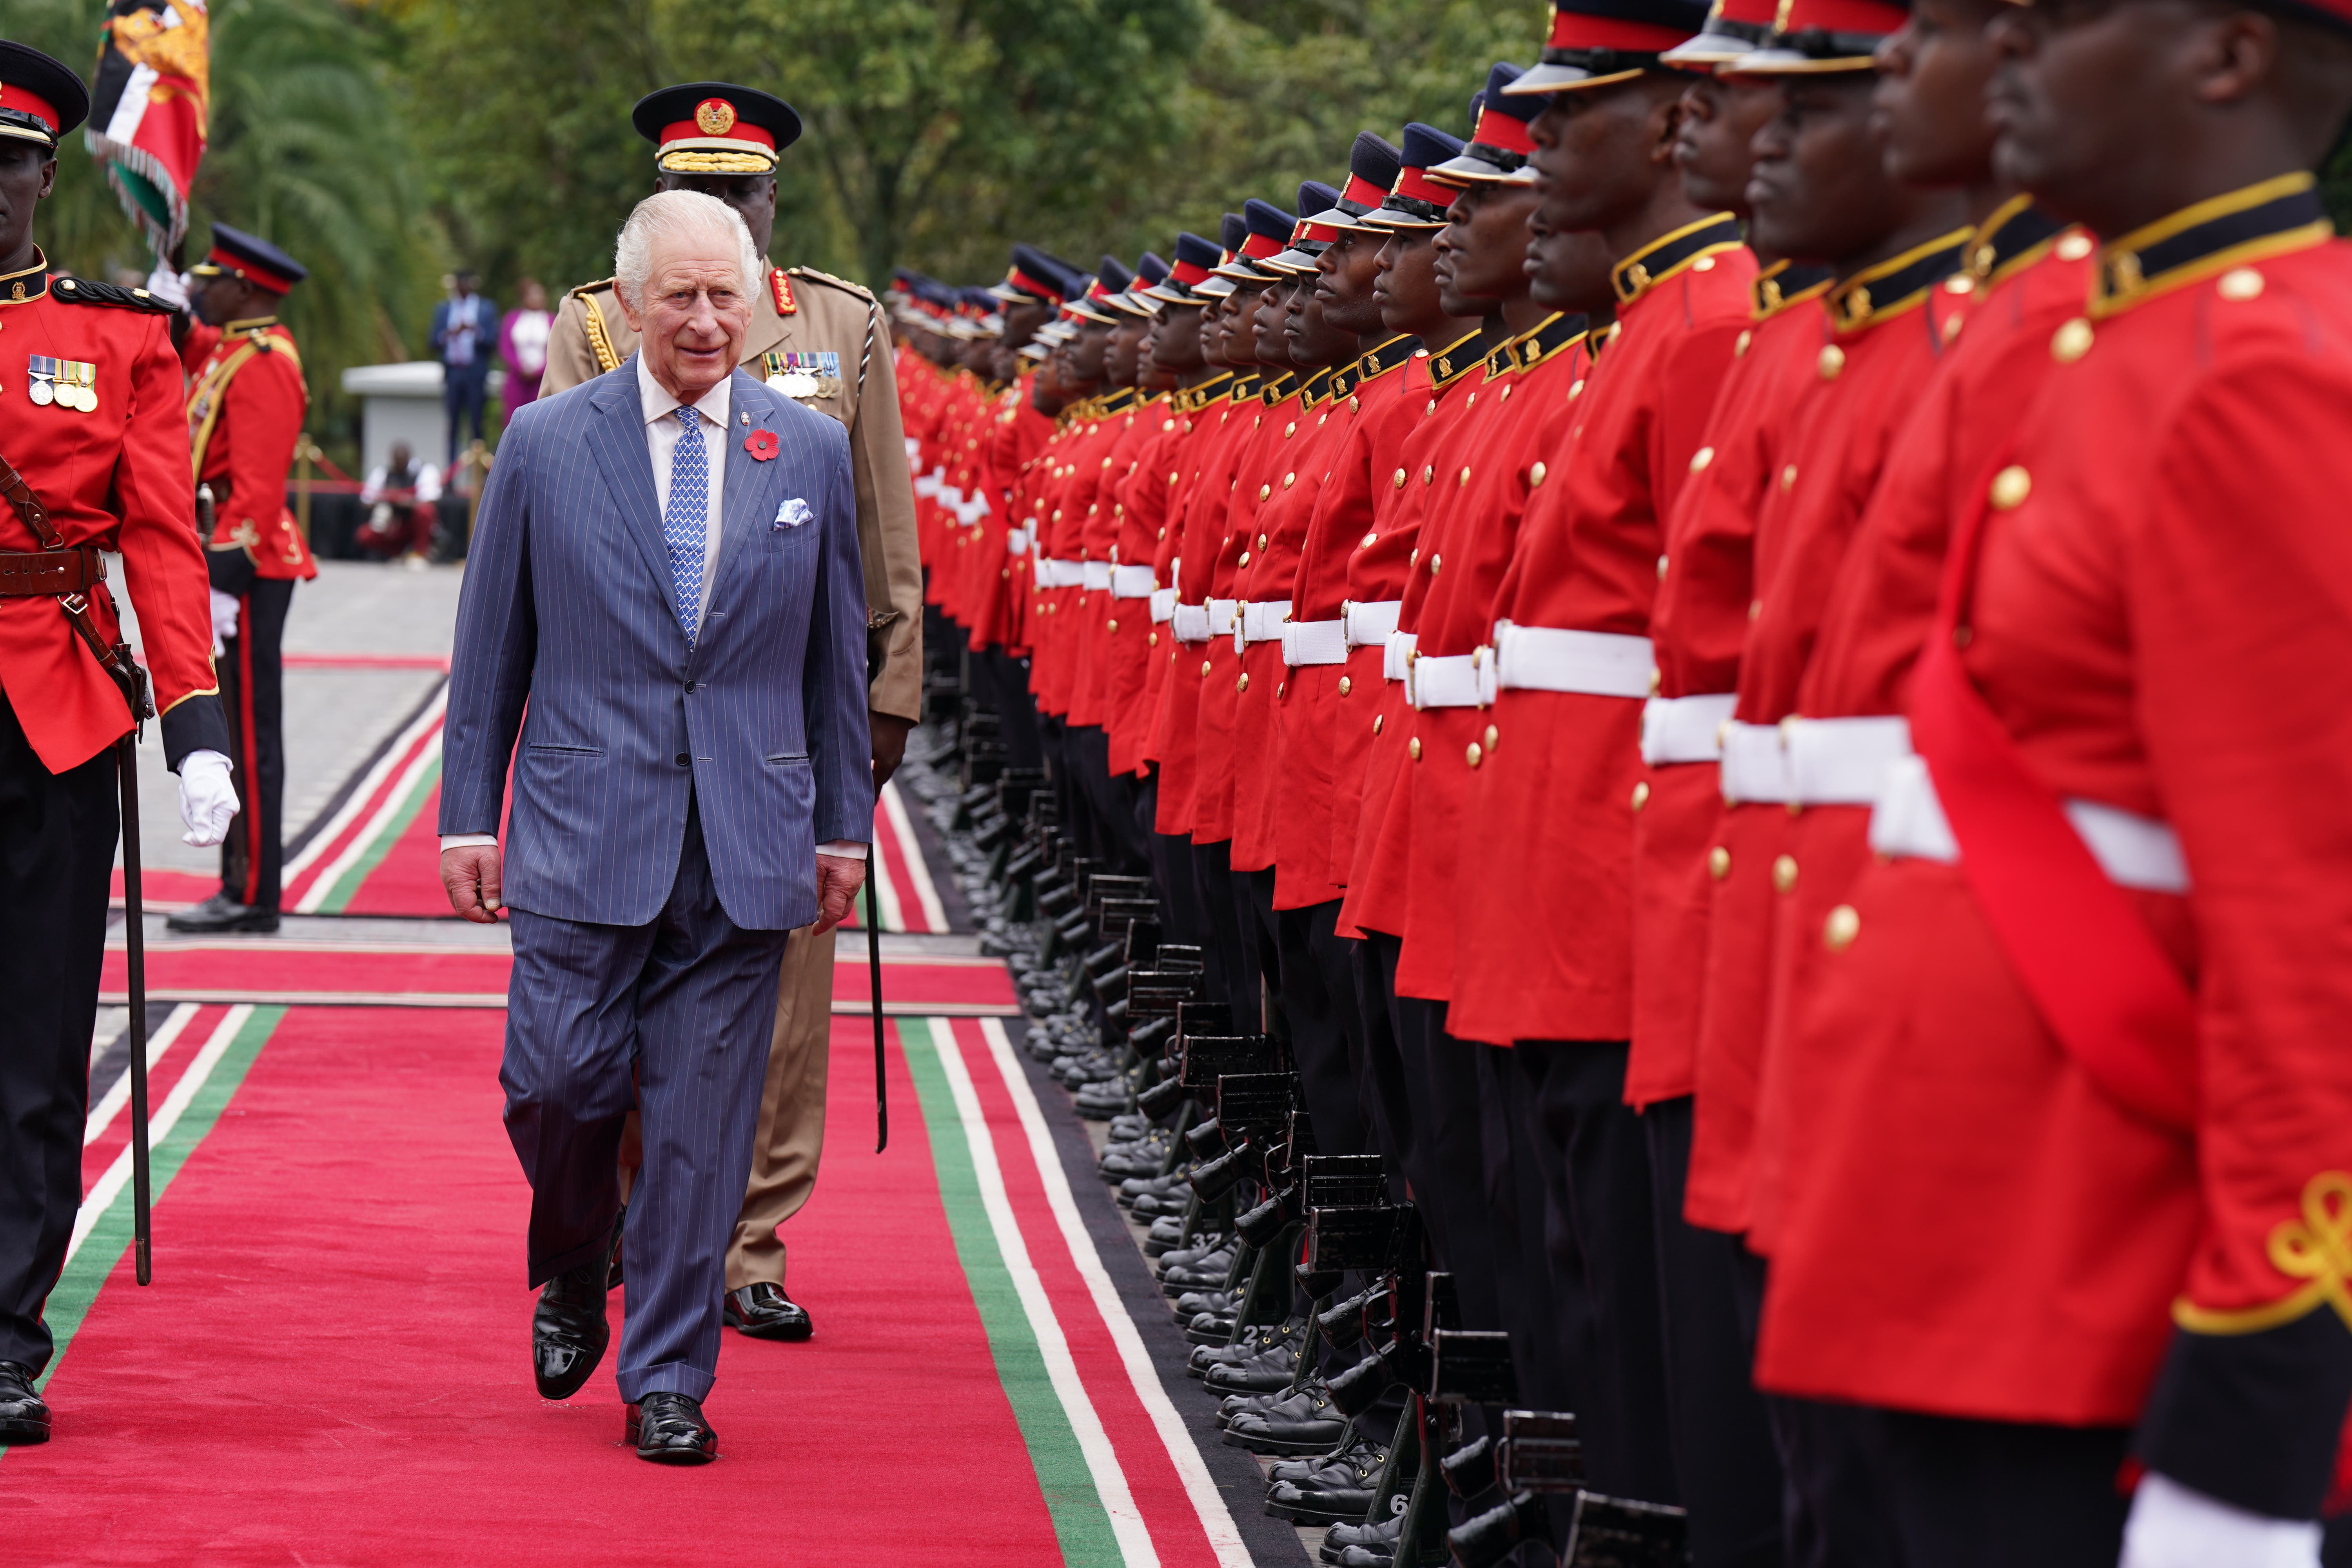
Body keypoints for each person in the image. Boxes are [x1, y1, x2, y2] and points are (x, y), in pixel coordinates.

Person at [438, 189, 873, 1463]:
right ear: (624, 306)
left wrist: (841, 829)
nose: (701, 319)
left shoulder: (808, 453)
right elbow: (490, 649)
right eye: (676, 295)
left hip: (748, 840)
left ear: (753, 304)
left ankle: (670, 1378)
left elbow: (832, 660)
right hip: (582, 827)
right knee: (560, 1083)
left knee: (697, 1127)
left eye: (722, 296)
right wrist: (473, 814)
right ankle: (578, 1255)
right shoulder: (543, 442)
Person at [539, 82, 924, 1343]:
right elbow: (546, 526)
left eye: (736, 198)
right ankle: (627, 1226)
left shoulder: (842, 327)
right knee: (602, 1026)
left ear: (770, 208)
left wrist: (887, 700)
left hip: (774, 725)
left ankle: (746, 1243)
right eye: (689, 197)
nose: (715, 221)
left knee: (779, 1010)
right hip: (629, 734)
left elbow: (881, 535)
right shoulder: (596, 323)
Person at [0, 38, 238, 1446]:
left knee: (32, 1045)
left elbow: (162, 535)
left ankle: (8, 1330)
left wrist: (196, 726)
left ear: (44, 178)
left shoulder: (115, 340)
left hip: (55, 708)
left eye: (12, 166)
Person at [167, 223, 318, 936]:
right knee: (235, 726)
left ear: (246, 288)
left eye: (210, 281)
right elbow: (191, 348)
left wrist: (228, 574)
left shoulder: (265, 360)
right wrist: (166, 300)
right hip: (229, 554)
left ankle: (254, 892)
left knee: (251, 734)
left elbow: (257, 486)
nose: (201, 290)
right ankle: (239, 880)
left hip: (248, 562)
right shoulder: (234, 347)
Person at [430, 270, 494, 465]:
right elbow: (432, 341)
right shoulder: (444, 309)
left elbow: (493, 341)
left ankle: (479, 474)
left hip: (475, 372)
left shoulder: (485, 308)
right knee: (453, 425)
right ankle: (450, 474)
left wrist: (475, 331)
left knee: (477, 423)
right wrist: (450, 333)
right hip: (453, 372)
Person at [356, 440, 443, 563]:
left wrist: (402, 500)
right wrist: (386, 497)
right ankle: (399, 554)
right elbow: (366, 501)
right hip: (393, 523)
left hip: (414, 522)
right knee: (364, 535)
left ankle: (420, 553)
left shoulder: (424, 471)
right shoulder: (383, 474)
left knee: (425, 511)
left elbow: (430, 500)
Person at [499, 277, 552, 424]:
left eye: (539, 295)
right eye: (532, 295)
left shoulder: (551, 320)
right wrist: (521, 368)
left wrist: (538, 370)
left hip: (542, 380)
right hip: (517, 379)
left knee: (540, 420)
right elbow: (506, 348)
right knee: (514, 420)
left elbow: (555, 350)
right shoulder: (512, 319)